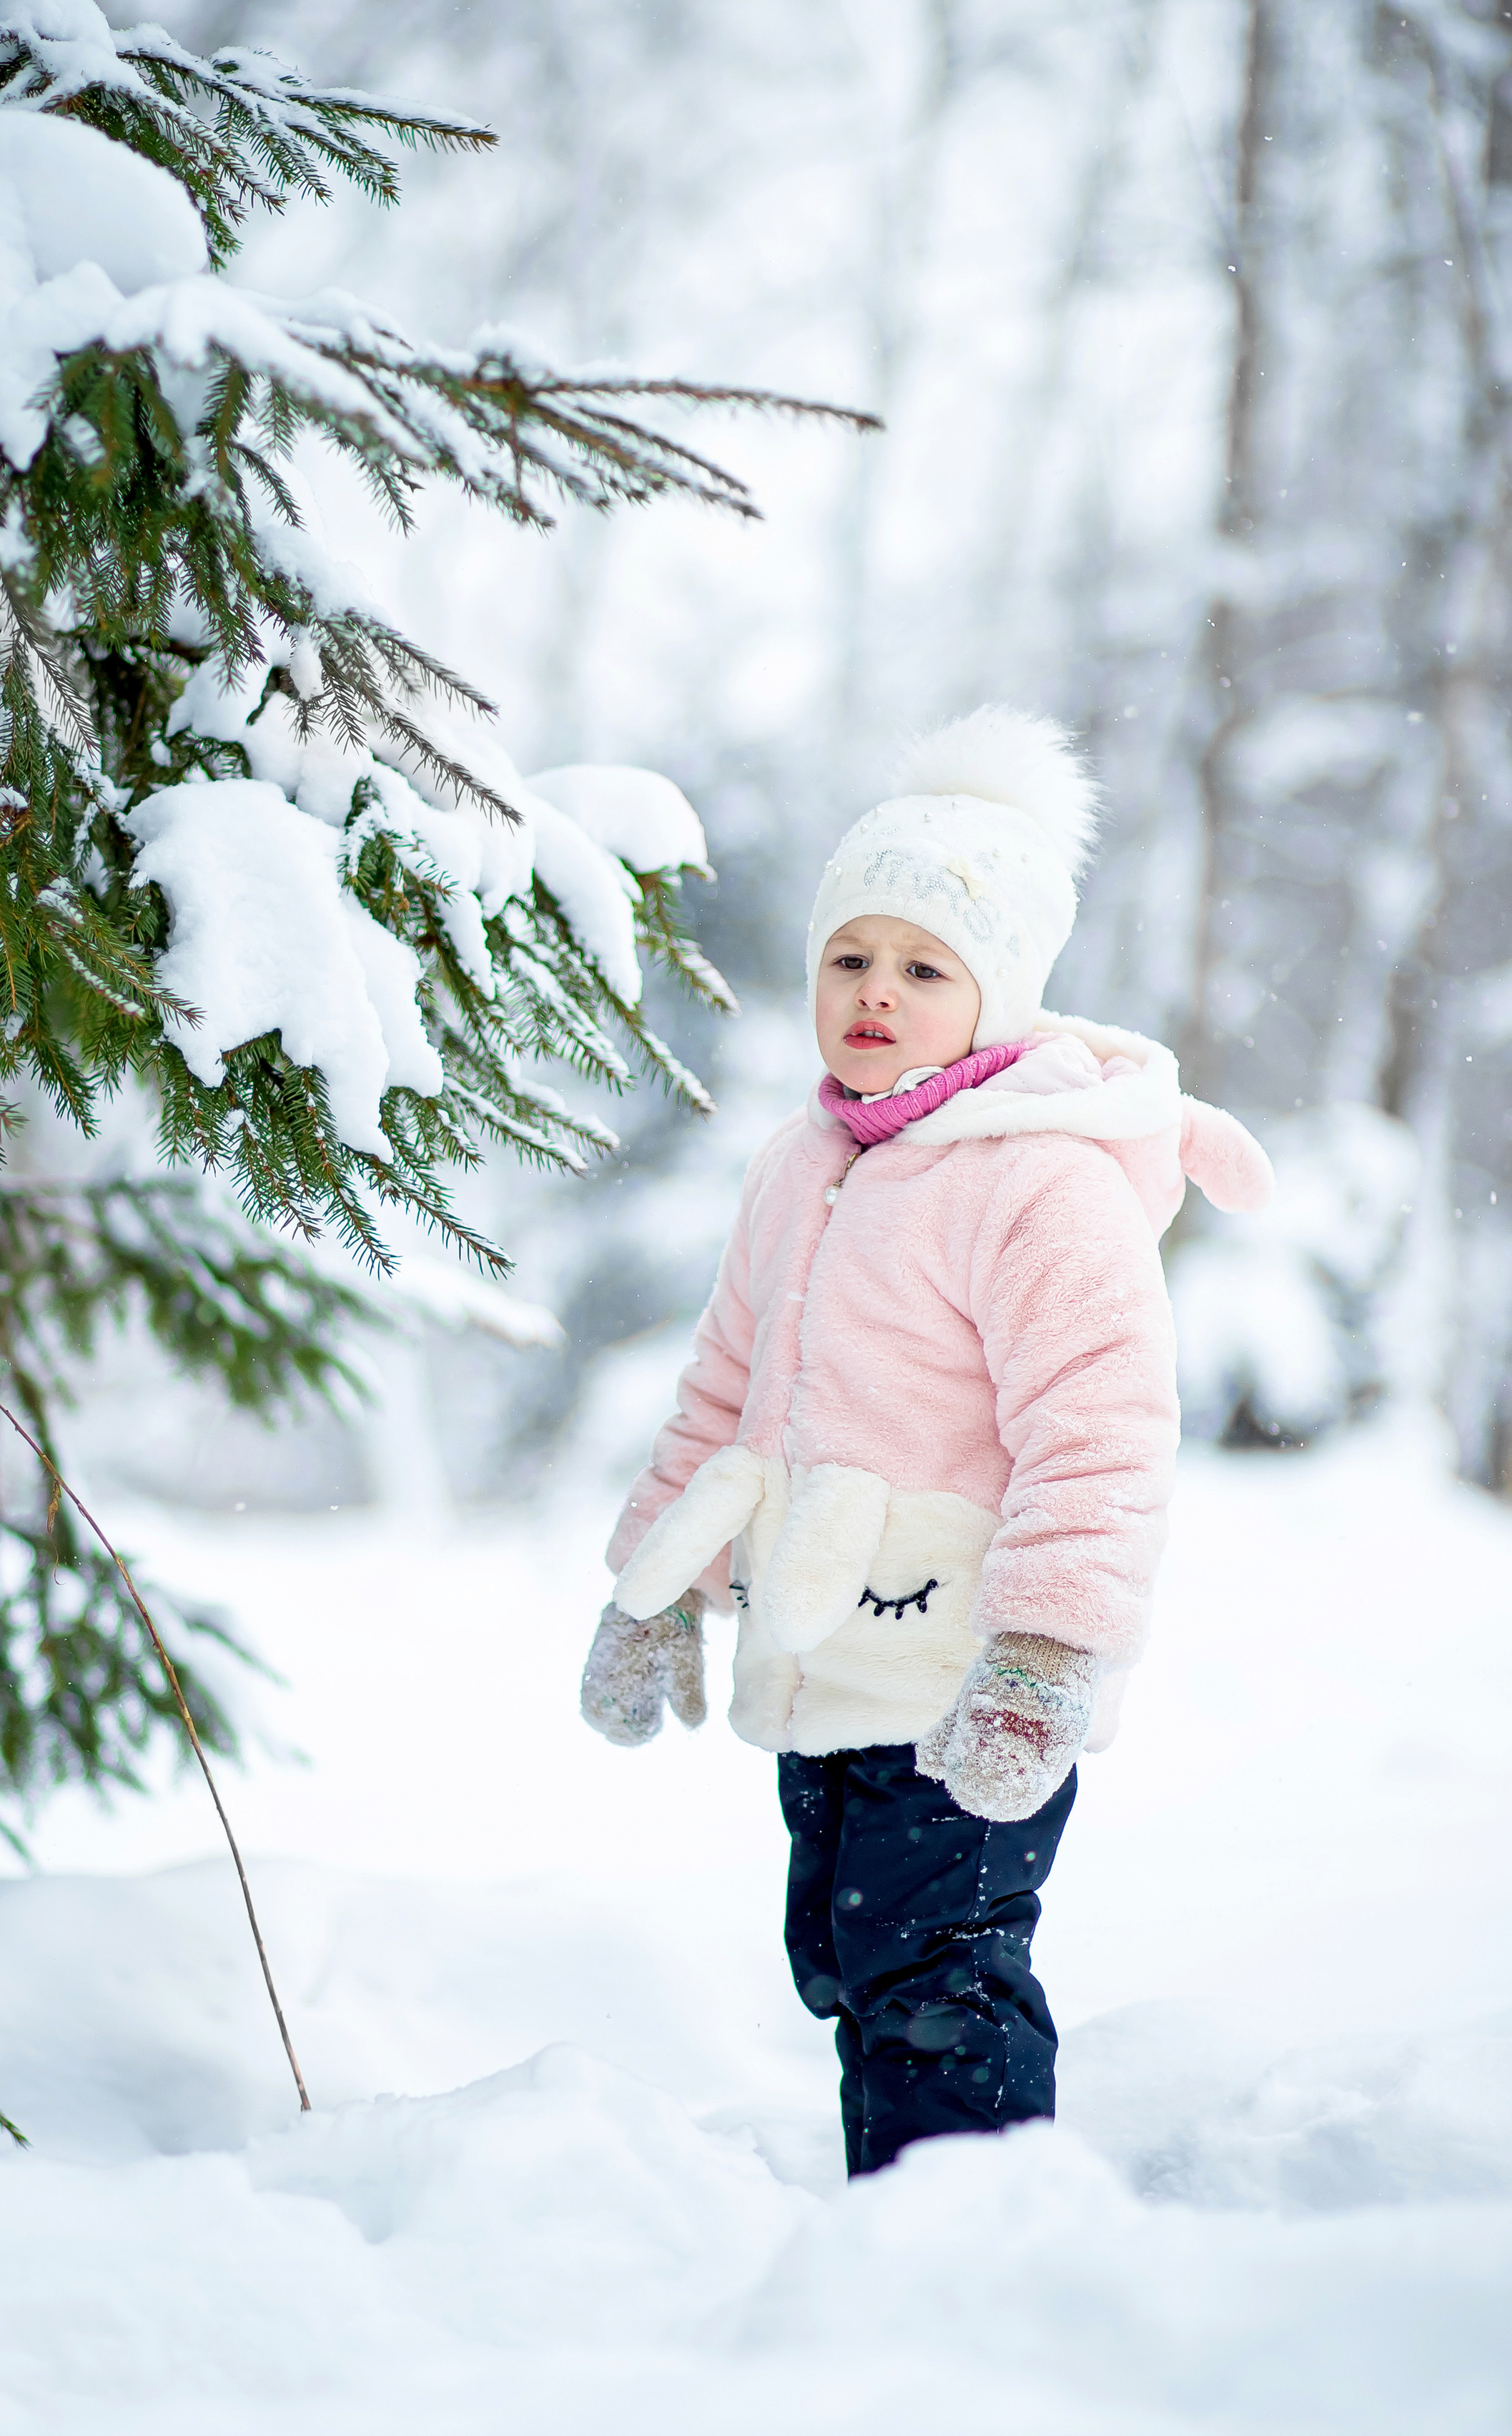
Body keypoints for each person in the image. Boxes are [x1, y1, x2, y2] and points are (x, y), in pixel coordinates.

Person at [578, 704, 1273, 2178]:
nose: (873, 993)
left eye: (920, 966)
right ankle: (889, 2227)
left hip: (962, 1672)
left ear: (997, 993)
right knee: (842, 1961)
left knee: (936, 1977)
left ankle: (968, 2246)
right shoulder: (803, 1161)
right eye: (848, 957)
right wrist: (650, 1592)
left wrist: (1038, 1657)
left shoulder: (1040, 1189)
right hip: (814, 1655)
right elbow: (724, 1383)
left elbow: (1099, 1439)